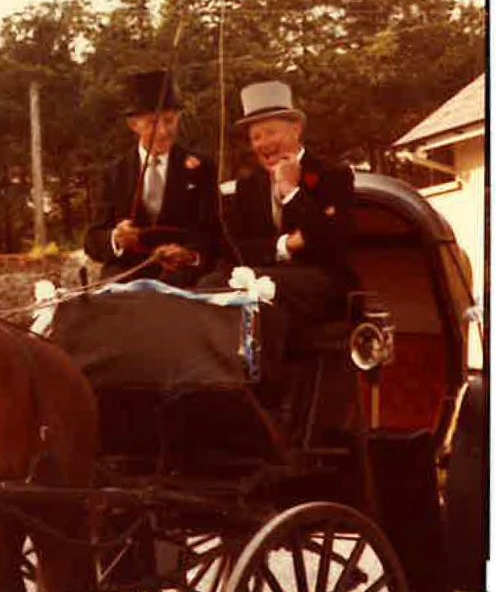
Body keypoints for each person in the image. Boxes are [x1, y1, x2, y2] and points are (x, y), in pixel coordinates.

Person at [202, 80, 357, 397]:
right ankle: (223, 393)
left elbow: (331, 243)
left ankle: (262, 401)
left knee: (259, 295)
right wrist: (287, 245)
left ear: (296, 129)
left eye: (271, 132)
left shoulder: (333, 174)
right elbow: (238, 250)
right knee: (208, 286)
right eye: (256, 137)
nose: (263, 144)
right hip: (267, 281)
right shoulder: (248, 186)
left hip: (321, 285)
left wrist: (290, 192)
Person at [84, 69, 219, 285]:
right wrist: (116, 238)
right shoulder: (114, 174)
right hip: (129, 270)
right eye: (152, 123)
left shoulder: (202, 167)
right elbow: (92, 240)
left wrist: (190, 254)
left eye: (170, 120)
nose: (164, 132)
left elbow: (212, 230)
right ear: (133, 125)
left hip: (183, 273)